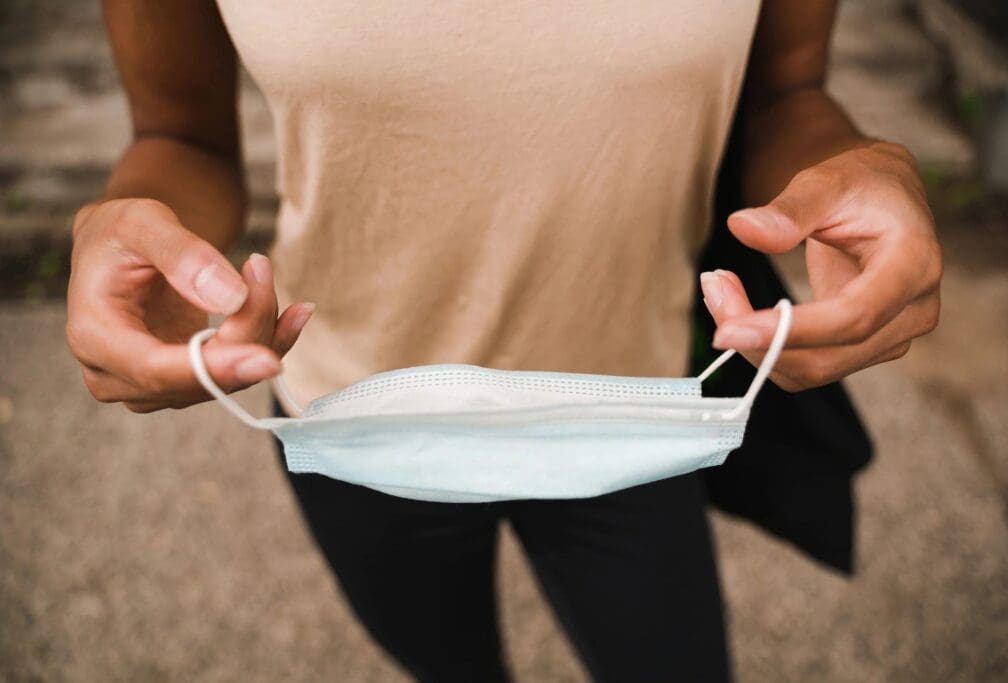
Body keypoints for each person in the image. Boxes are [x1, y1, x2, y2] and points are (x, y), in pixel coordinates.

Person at [66, 1, 942, 680]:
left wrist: (864, 167)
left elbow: (789, 88)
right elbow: (179, 134)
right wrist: (141, 235)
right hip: (356, 415)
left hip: (629, 408)